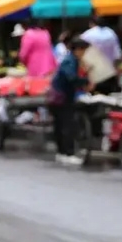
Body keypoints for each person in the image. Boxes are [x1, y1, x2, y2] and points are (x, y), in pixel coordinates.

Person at [49, 38, 91, 166]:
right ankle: (67, 153)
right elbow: (71, 78)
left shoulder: (73, 60)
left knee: (61, 125)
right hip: (62, 97)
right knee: (67, 125)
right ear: (77, 50)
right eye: (83, 50)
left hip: (62, 96)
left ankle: (62, 152)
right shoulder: (70, 61)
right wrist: (85, 82)